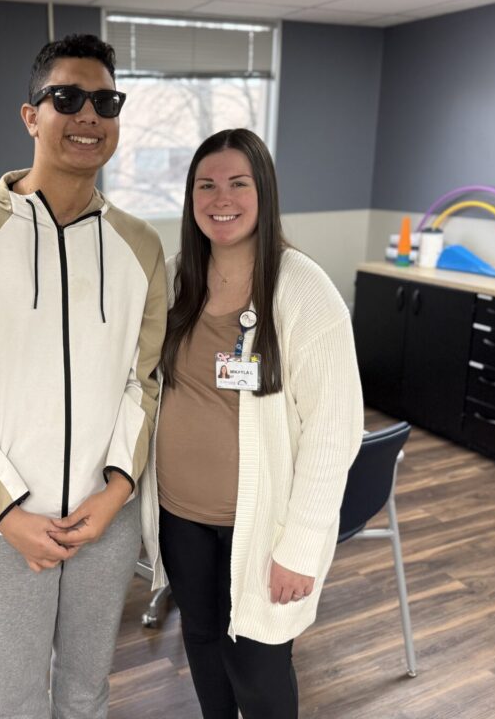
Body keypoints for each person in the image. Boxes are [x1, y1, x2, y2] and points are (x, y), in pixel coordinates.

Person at [0, 33, 167, 719]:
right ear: (31, 116)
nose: (89, 115)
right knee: (18, 699)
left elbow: (145, 382)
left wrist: (116, 492)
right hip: (4, 524)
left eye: (106, 102)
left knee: (87, 692)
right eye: (67, 98)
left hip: (103, 519)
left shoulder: (141, 247)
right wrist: (7, 512)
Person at [139, 128, 363, 718]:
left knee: (259, 669)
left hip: (264, 526)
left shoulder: (305, 291)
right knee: (203, 644)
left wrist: (301, 546)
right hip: (181, 517)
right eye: (206, 185)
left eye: (238, 183)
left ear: (264, 191)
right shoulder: (175, 280)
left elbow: (333, 434)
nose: (221, 199)